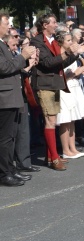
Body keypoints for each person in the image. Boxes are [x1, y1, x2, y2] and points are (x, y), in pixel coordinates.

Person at [31, 14, 84, 170]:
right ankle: (54, 158)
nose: (56, 25)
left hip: (54, 83)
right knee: (50, 121)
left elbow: (60, 63)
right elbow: (48, 63)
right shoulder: (37, 41)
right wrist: (69, 53)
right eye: (54, 22)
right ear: (44, 25)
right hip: (44, 84)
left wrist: (75, 53)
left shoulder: (53, 41)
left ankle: (51, 156)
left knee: (52, 121)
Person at [0, 15, 36, 186]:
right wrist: (23, 56)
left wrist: (25, 64)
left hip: (12, 95)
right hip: (4, 98)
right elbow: (4, 67)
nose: (10, 26)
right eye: (7, 23)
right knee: (5, 138)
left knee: (11, 137)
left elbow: (12, 67)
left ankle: (10, 169)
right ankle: (4, 173)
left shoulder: (2, 44)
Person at [55, 31, 84, 158]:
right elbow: (60, 75)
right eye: (68, 40)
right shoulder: (59, 55)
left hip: (74, 86)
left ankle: (72, 147)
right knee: (65, 120)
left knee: (72, 120)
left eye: (71, 40)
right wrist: (75, 73)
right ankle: (65, 150)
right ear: (61, 42)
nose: (71, 42)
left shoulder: (72, 55)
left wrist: (81, 71)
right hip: (65, 88)